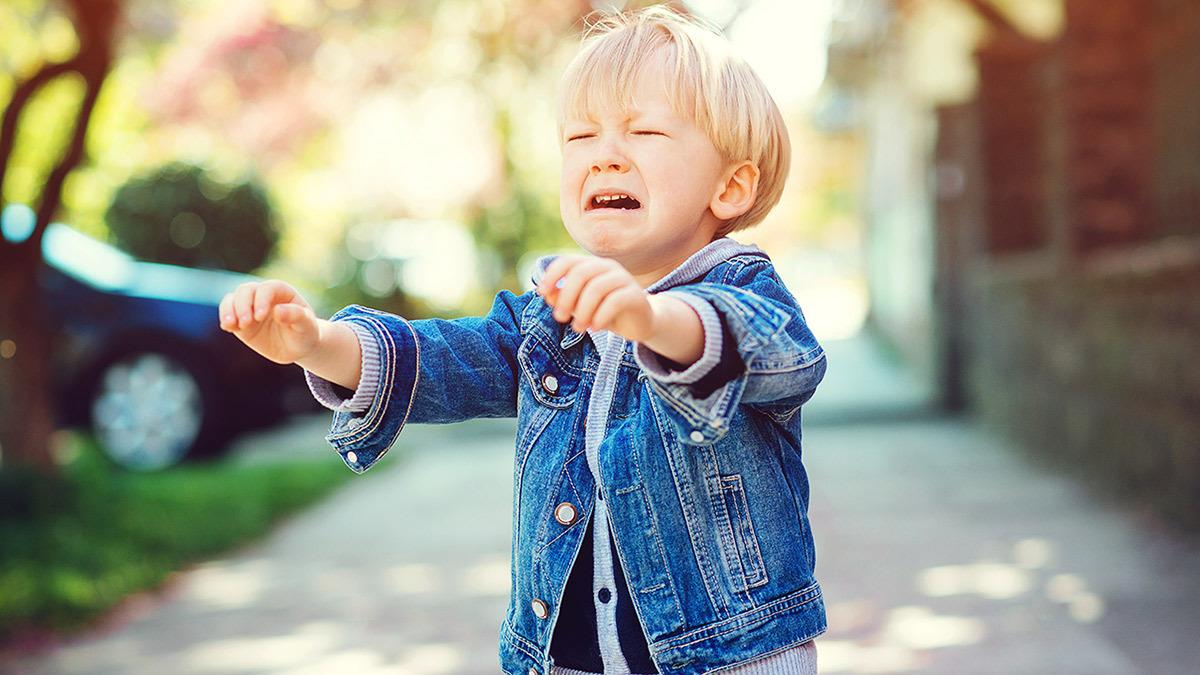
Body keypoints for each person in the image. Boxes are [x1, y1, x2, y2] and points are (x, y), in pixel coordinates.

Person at [218, 6, 827, 674]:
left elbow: (776, 354)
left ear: (731, 186)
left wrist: (651, 321)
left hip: (730, 655)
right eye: (581, 136)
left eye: (644, 131)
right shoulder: (550, 318)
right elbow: (443, 362)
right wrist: (317, 343)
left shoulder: (747, 290)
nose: (606, 155)